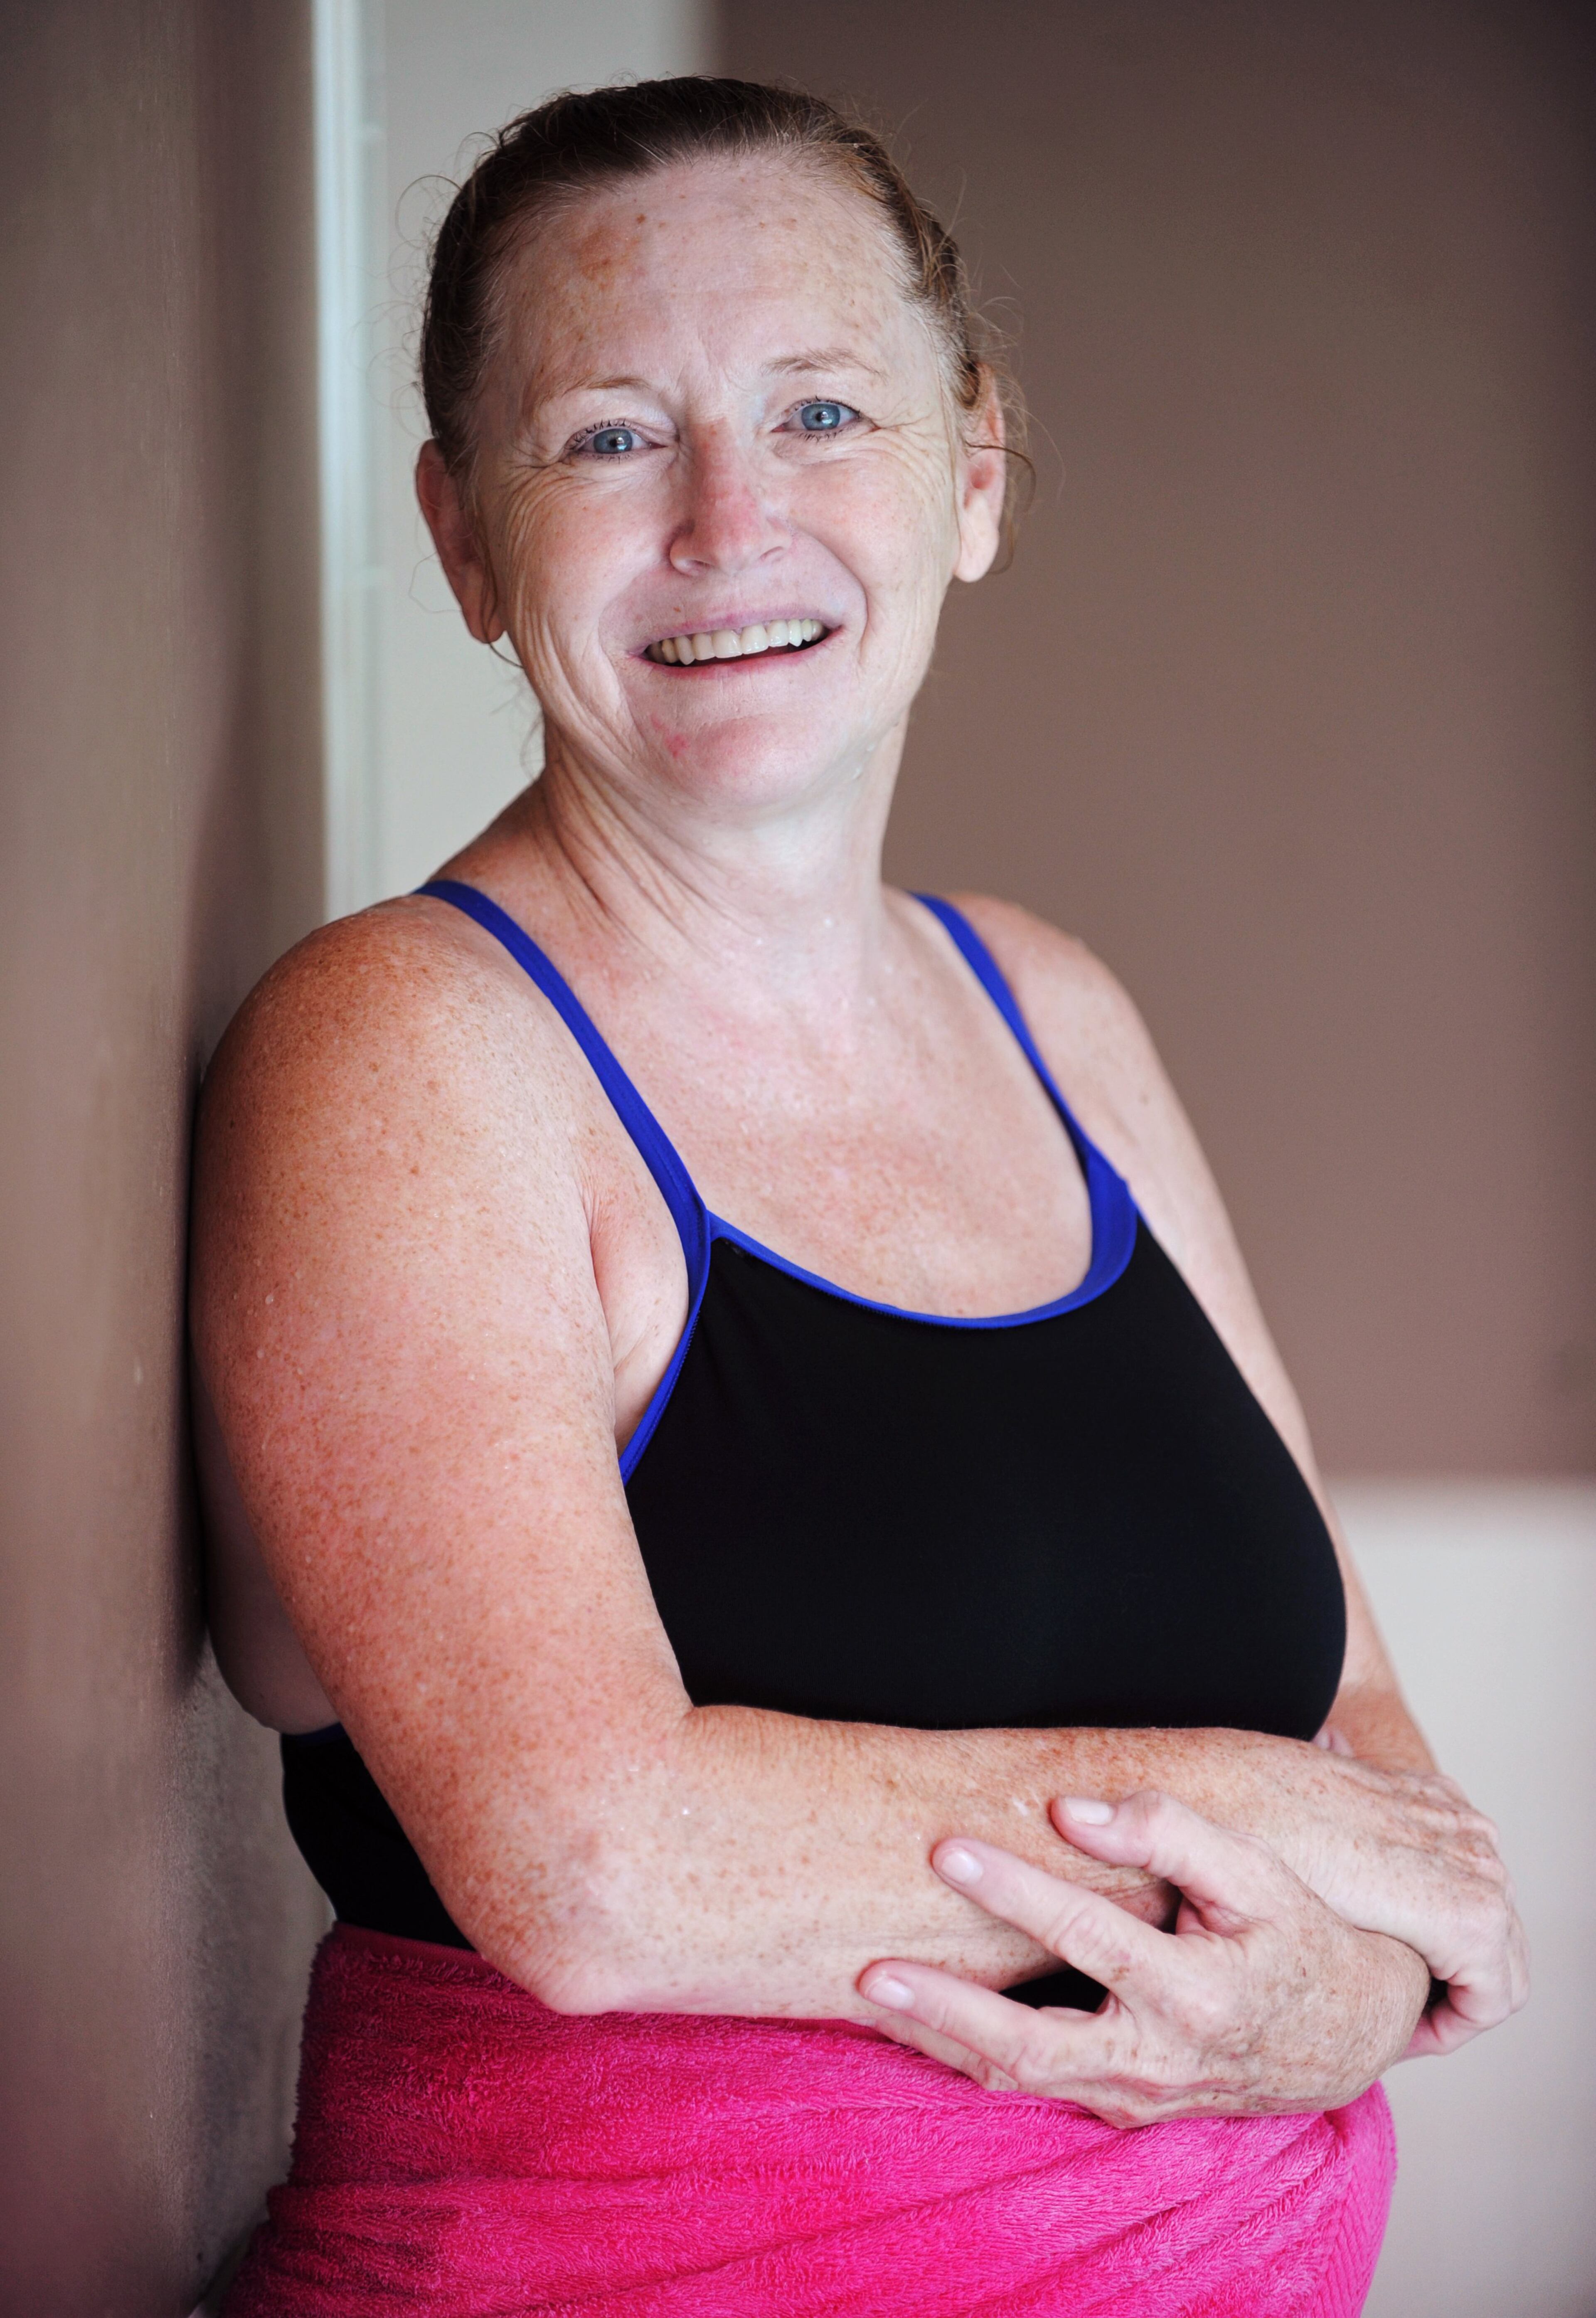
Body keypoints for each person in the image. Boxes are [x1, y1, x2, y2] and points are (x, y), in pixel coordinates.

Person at [193, 77, 1526, 2317]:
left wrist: (1339, 2005)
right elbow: (595, 1860)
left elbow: (1366, 1741)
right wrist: (1269, 1835)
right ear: (461, 538)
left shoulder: (1052, 1008)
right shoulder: (405, 1052)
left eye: (823, 411)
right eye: (612, 438)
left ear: (972, 474)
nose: (729, 521)